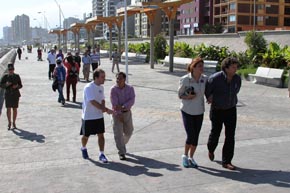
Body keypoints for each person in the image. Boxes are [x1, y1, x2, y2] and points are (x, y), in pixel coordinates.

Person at [205, 57, 241, 170]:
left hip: (231, 109)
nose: (235, 69)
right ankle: (211, 149)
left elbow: (236, 90)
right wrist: (210, 96)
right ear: (226, 68)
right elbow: (207, 90)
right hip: (217, 110)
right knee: (215, 133)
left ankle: (227, 161)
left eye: (236, 67)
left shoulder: (237, 79)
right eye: (233, 67)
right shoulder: (215, 78)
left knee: (230, 135)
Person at [178, 57, 207, 168]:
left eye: (202, 66)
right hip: (187, 110)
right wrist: (188, 96)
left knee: (196, 137)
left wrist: (211, 97)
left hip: (199, 111)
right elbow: (180, 95)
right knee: (191, 135)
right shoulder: (185, 79)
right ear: (193, 67)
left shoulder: (204, 79)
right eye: (199, 66)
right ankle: (184, 156)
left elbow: (208, 92)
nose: (202, 68)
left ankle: (191, 157)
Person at [80, 69, 113, 163]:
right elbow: (93, 102)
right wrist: (106, 109)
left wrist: (103, 106)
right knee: (86, 136)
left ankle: (101, 154)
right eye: (102, 77)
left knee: (101, 135)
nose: (104, 79)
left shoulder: (101, 87)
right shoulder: (88, 87)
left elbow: (102, 99)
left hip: (98, 116)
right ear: (96, 77)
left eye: (104, 77)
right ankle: (83, 148)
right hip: (88, 116)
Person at [110, 72, 135, 160]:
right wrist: (119, 113)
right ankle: (121, 152)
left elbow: (132, 100)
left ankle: (121, 143)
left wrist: (124, 106)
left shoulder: (130, 88)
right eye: (117, 78)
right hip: (116, 114)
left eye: (120, 78)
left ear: (124, 79)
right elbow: (115, 104)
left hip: (127, 113)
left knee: (129, 131)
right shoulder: (113, 89)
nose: (118, 80)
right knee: (118, 133)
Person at [0, 64, 22, 130]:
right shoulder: (5, 76)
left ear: (13, 70)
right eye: (10, 70)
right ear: (8, 70)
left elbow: (21, 85)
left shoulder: (17, 76)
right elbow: (1, 85)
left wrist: (17, 86)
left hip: (15, 94)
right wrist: (6, 84)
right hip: (8, 94)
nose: (11, 71)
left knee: (15, 109)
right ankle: (9, 122)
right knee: (8, 109)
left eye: (12, 70)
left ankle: (14, 122)